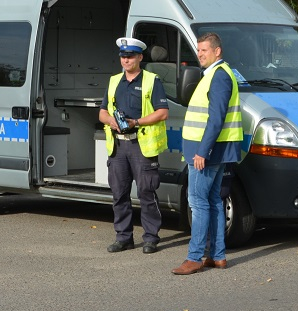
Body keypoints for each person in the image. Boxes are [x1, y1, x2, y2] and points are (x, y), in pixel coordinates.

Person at [172, 32, 243, 275]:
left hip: (206, 152)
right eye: (198, 50)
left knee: (198, 203)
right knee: (213, 201)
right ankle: (217, 256)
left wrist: (203, 151)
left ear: (217, 51)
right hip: (213, 151)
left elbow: (216, 118)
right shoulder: (215, 74)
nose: (200, 54)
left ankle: (195, 257)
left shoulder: (219, 76)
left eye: (204, 50)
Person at [97, 37, 169, 254]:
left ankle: (150, 238)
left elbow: (163, 112)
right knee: (119, 194)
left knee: (147, 194)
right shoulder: (113, 81)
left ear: (140, 57)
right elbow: (101, 112)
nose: (125, 60)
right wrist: (111, 120)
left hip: (141, 145)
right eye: (122, 56)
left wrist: (135, 122)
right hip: (118, 147)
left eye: (130, 56)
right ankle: (123, 237)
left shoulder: (151, 80)